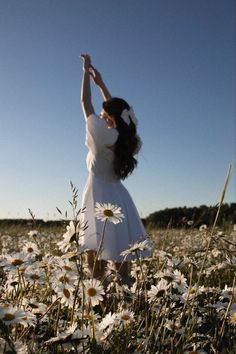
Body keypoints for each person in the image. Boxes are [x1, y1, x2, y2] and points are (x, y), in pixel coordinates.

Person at [80, 54, 150, 279]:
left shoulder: (102, 137)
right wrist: (101, 84)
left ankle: (98, 299)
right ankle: (125, 292)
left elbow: (85, 103)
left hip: (97, 193)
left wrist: (85, 73)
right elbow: (119, 115)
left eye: (103, 115)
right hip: (119, 197)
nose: (99, 117)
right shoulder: (129, 139)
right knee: (120, 250)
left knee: (94, 248)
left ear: (109, 119)